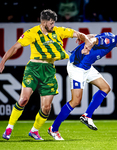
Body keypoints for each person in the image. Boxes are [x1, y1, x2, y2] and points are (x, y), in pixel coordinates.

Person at [1, 9, 92, 141]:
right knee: (23, 99)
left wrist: (85, 41)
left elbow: (78, 34)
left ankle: (34, 131)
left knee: (47, 107)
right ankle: (9, 128)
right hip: (33, 68)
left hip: (49, 70)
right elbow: (15, 47)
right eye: (51, 23)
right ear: (43, 22)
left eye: (54, 23)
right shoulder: (32, 33)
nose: (53, 25)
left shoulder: (59, 31)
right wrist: (3, 61)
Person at [48, 26, 117, 140]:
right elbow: (94, 40)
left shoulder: (111, 37)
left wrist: (85, 38)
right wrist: (87, 47)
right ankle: (53, 129)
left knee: (105, 88)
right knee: (76, 101)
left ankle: (87, 115)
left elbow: (94, 36)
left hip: (86, 67)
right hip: (78, 66)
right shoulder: (111, 40)